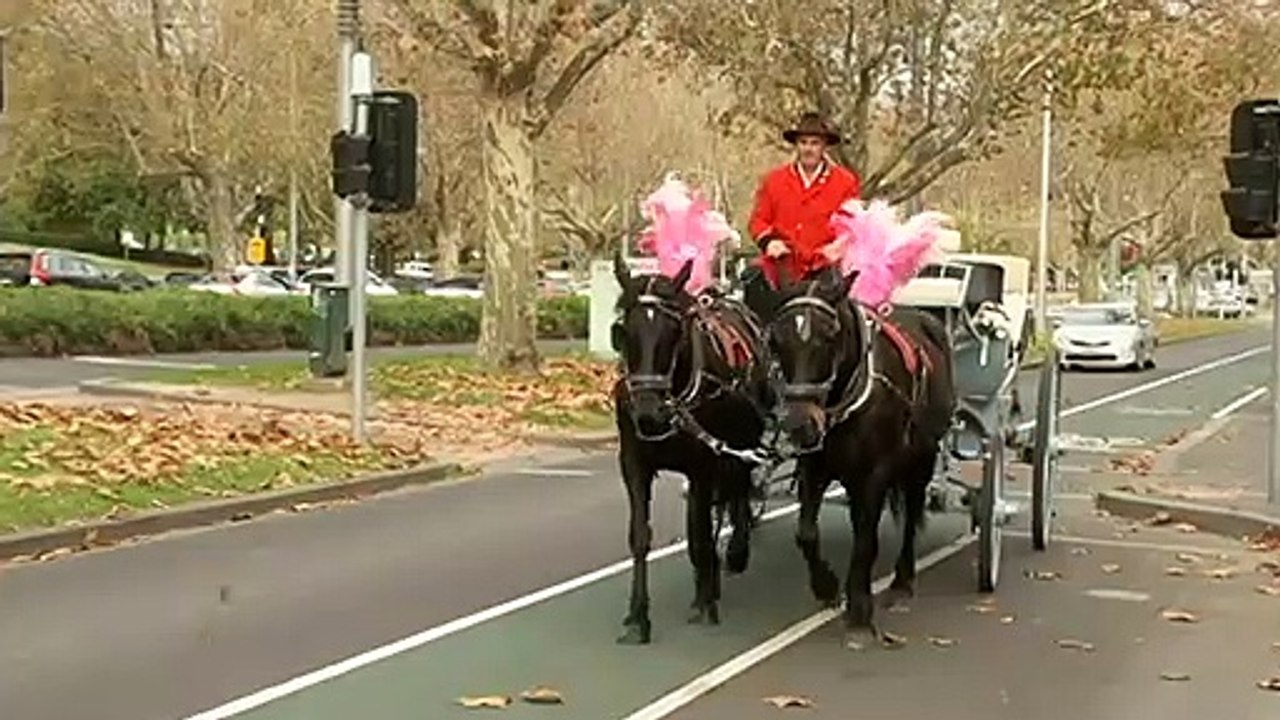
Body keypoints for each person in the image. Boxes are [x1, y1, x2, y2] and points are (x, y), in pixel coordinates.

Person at [741, 112, 862, 320]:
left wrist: (839, 247)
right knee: (751, 281)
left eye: (815, 143)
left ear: (824, 147)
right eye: (803, 142)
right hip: (782, 265)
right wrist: (769, 242)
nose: (808, 148)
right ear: (796, 146)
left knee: (844, 311)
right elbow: (758, 220)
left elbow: (854, 225)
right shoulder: (774, 180)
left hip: (824, 267)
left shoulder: (845, 182)